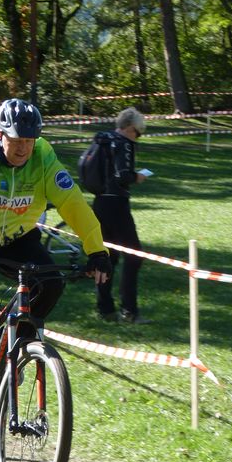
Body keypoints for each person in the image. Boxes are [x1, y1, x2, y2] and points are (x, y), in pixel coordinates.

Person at [0, 97, 111, 454]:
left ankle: (18, 351)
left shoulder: (43, 159)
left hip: (14, 239)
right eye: (16, 140)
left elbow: (73, 203)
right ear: (0, 135)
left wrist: (97, 251)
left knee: (51, 282)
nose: (23, 148)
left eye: (29, 140)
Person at [92, 106, 150, 324]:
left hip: (99, 202)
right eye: (138, 133)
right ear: (130, 128)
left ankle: (105, 308)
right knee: (134, 256)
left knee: (108, 257)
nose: (137, 137)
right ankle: (129, 311)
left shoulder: (104, 139)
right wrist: (138, 176)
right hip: (117, 204)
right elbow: (123, 175)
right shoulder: (124, 143)